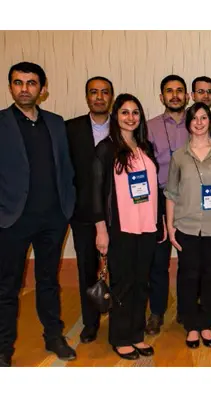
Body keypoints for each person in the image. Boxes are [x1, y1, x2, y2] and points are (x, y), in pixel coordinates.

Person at [0, 62, 76, 367]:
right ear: (10, 87)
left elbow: (66, 167)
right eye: (18, 82)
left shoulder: (56, 123)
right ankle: (3, 347)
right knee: (7, 287)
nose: (24, 89)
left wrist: (66, 207)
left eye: (31, 83)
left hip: (52, 219)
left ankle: (54, 336)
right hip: (12, 220)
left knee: (48, 281)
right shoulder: (2, 123)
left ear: (42, 89)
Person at [92, 93, 165, 360]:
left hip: (147, 226)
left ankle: (136, 334)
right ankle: (120, 337)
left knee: (141, 282)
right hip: (120, 228)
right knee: (122, 284)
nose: (131, 117)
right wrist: (101, 230)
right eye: (125, 112)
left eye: (135, 112)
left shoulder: (145, 147)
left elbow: (155, 188)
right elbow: (96, 193)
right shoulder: (106, 149)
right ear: (116, 116)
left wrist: (160, 221)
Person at [164, 102, 211, 348]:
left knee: (209, 277)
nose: (199, 122)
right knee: (188, 276)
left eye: (204, 117)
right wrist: (170, 226)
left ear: (210, 121)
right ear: (189, 123)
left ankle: (206, 323)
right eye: (194, 118)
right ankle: (191, 325)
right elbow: (171, 193)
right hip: (186, 226)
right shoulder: (178, 156)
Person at [66, 76, 114, 344]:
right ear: (87, 97)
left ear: (111, 97)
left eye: (104, 92)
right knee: (86, 268)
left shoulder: (122, 126)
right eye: (94, 92)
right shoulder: (70, 129)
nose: (99, 97)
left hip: (117, 215)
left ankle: (119, 321)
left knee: (120, 269)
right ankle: (90, 322)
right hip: (83, 213)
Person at [146, 74, 190, 334]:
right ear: (161, 97)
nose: (175, 95)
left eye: (179, 90)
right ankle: (156, 312)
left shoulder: (198, 123)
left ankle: (186, 308)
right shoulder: (149, 127)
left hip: (190, 200)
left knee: (189, 258)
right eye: (169, 91)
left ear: (187, 96)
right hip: (160, 199)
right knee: (158, 260)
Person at [191, 76, 211, 143]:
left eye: (209, 92)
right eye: (201, 91)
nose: (206, 95)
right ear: (193, 95)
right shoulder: (187, 120)